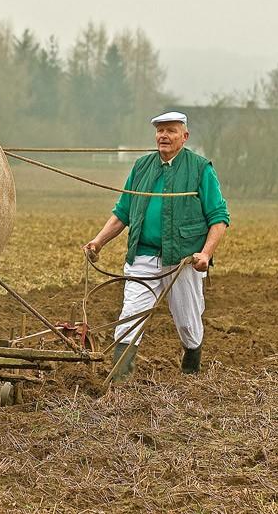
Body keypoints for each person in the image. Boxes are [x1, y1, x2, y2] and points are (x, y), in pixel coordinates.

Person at [83, 111, 230, 382]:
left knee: (187, 322)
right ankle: (119, 378)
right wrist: (98, 241)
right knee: (131, 314)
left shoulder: (200, 168)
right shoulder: (141, 167)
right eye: (160, 130)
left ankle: (191, 363)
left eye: (171, 130)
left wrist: (206, 254)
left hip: (184, 260)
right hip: (143, 255)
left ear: (184, 137)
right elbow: (122, 212)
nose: (164, 135)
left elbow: (219, 217)